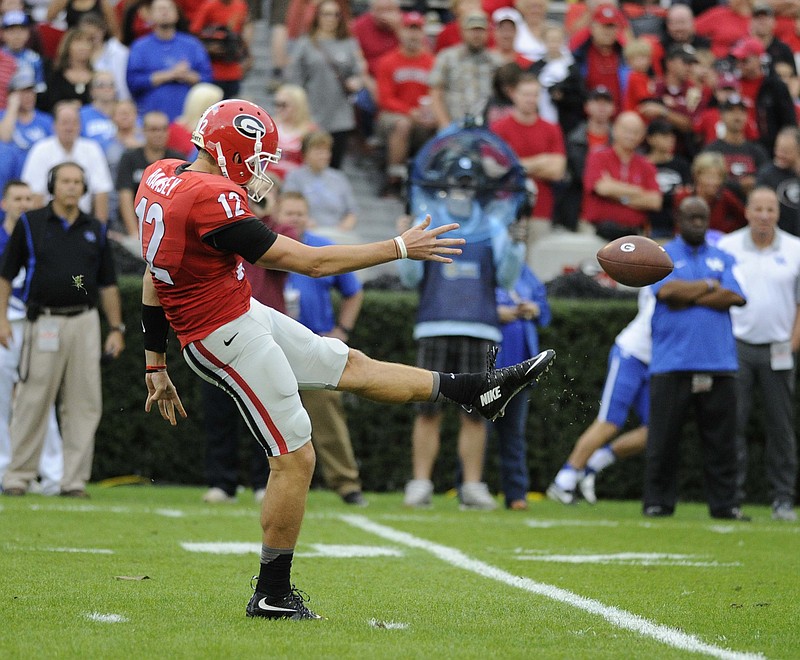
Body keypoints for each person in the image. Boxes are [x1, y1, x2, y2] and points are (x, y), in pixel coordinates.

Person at [137, 98, 555, 619]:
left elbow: (154, 275)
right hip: (221, 334)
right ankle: (271, 592)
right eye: (259, 159)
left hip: (240, 312)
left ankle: (473, 390)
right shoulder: (210, 197)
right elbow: (310, 262)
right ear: (233, 150)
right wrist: (398, 246)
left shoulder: (160, 174)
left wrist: (155, 361)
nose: (261, 172)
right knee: (295, 458)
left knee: (348, 363)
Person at [399, 158, 531, 511]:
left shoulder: (492, 225)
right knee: (427, 409)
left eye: (469, 181)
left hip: (481, 327)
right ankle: (421, 483)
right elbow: (409, 279)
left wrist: (518, 246)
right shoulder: (426, 221)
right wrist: (402, 243)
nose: (462, 188)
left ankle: (472, 486)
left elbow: (505, 279)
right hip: (435, 322)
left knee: (477, 411)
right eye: (457, 181)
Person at [0, 162, 125, 498]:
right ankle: (18, 475)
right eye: (66, 181)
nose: (72, 187)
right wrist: (0, 319)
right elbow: (5, 275)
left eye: (78, 182)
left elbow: (108, 283)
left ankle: (72, 480)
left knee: (84, 403)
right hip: (44, 321)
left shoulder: (96, 229)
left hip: (85, 321)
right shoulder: (31, 222)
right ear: (53, 185)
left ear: (84, 188)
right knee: (32, 399)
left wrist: (116, 327)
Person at [645, 195, 748, 520]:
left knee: (721, 443)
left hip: (719, 363)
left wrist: (689, 292)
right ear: (679, 219)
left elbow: (734, 296)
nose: (698, 224)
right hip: (672, 363)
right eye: (692, 218)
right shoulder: (662, 256)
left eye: (703, 218)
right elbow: (666, 292)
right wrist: (707, 286)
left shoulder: (722, 256)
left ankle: (725, 505)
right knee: (663, 440)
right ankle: (658, 502)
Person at [717, 187, 800, 522]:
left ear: (778, 214)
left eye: (770, 210)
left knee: (781, 427)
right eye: (758, 209)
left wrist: (791, 346)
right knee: (732, 423)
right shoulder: (727, 247)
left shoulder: (796, 249)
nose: (764, 215)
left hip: (780, 347)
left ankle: (782, 498)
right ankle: (731, 499)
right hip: (736, 346)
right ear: (747, 212)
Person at [281, 191, 367, 506]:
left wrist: (342, 331)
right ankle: (266, 483)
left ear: (308, 216)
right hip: (272, 346)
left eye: (300, 213)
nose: (294, 218)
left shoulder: (321, 247)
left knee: (328, 417)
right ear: (278, 214)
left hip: (314, 344)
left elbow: (353, 291)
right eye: (289, 213)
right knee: (269, 418)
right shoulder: (267, 243)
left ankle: (347, 485)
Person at [547, 287, 654, 505]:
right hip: (631, 354)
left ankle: (594, 462)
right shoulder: (670, 273)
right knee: (610, 421)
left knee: (656, 430)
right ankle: (564, 479)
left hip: (659, 361)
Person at [0, 180, 63, 495]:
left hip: (38, 322)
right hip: (5, 323)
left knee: (42, 397)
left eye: (28, 198)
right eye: (17, 199)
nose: (23, 204)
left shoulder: (42, 235)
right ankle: (4, 470)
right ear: (4, 203)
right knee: (1, 402)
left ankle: (53, 474)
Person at [491, 263, 550, 510]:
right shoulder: (487, 265)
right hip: (486, 367)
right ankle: (468, 488)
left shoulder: (525, 272)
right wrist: (494, 313)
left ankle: (516, 494)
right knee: (476, 431)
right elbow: (466, 307)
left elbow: (545, 313)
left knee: (514, 435)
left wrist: (535, 309)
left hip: (521, 369)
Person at [285, 0, 369, 169]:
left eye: (335, 14)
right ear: (317, 16)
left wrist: (357, 82)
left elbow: (360, 71)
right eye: (326, 14)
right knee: (307, 164)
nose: (331, 18)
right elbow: (293, 78)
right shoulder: (305, 43)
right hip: (312, 113)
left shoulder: (349, 43)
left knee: (334, 164)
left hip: (340, 114)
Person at [490, 72, 566, 248]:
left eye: (535, 94)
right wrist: (541, 161)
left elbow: (557, 171)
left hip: (541, 210)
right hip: (505, 207)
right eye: (525, 94)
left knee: (538, 263)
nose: (531, 99)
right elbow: (494, 170)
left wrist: (514, 165)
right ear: (513, 95)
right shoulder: (499, 129)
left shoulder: (551, 129)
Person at [373, 10, 436, 198]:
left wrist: (430, 113)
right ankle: (394, 179)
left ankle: (428, 180)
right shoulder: (387, 61)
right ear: (401, 32)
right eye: (409, 29)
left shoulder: (432, 62)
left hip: (423, 116)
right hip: (392, 117)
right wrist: (410, 112)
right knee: (402, 124)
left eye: (417, 30)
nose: (413, 35)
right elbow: (384, 99)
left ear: (423, 34)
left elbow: (436, 95)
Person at [21, 101, 113, 222]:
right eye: (64, 123)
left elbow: (101, 192)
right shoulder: (40, 149)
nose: (69, 128)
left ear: (80, 126)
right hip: (49, 220)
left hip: (84, 221)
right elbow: (35, 193)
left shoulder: (92, 149)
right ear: (54, 126)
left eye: (74, 123)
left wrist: (99, 230)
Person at [580, 111, 662, 240]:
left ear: (642, 136)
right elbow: (602, 188)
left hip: (632, 234)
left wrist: (617, 193)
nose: (631, 136)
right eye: (626, 130)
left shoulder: (647, 166)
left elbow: (654, 201)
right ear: (615, 130)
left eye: (636, 132)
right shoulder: (598, 157)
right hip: (596, 232)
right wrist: (637, 191)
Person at [126, 0, 212, 121]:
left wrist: (187, 75)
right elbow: (133, 82)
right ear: (150, 15)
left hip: (187, 120)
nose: (165, 12)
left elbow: (208, 79)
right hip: (151, 119)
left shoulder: (192, 45)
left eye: (169, 8)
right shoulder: (140, 47)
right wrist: (169, 74)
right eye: (160, 9)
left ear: (177, 15)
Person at [428, 11, 502, 130]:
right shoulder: (447, 57)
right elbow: (435, 94)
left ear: (488, 33)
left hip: (487, 130)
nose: (476, 35)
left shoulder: (496, 61)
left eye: (480, 30)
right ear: (462, 32)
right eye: (472, 30)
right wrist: (444, 125)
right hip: (453, 126)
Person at [116, 110, 184, 239]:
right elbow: (125, 195)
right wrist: (134, 233)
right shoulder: (129, 158)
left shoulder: (178, 159)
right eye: (153, 130)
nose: (159, 134)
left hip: (168, 229)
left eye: (163, 129)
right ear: (143, 131)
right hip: (132, 226)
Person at [283, 130, 358, 233]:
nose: (324, 156)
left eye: (327, 151)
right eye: (319, 151)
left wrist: (343, 227)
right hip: (305, 232)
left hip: (336, 233)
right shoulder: (294, 177)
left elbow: (351, 212)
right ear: (305, 154)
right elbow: (289, 207)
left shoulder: (339, 178)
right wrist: (305, 222)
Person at [189, 0, 252, 99]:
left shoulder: (241, 5)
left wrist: (247, 55)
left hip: (233, 70)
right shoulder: (209, 5)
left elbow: (242, 33)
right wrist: (208, 47)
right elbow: (194, 33)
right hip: (214, 71)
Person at [756, 126, 800, 236]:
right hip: (780, 239)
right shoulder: (766, 174)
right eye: (778, 149)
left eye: (786, 152)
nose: (780, 155)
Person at [268, 84, 317, 184]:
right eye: (276, 104)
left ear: (298, 106)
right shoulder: (270, 127)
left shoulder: (310, 131)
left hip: (298, 182)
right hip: (269, 181)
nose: (279, 108)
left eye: (284, 105)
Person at [38, 27, 95, 112]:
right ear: (67, 46)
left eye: (87, 42)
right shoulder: (55, 75)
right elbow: (48, 103)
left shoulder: (97, 76)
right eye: (78, 41)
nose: (83, 46)